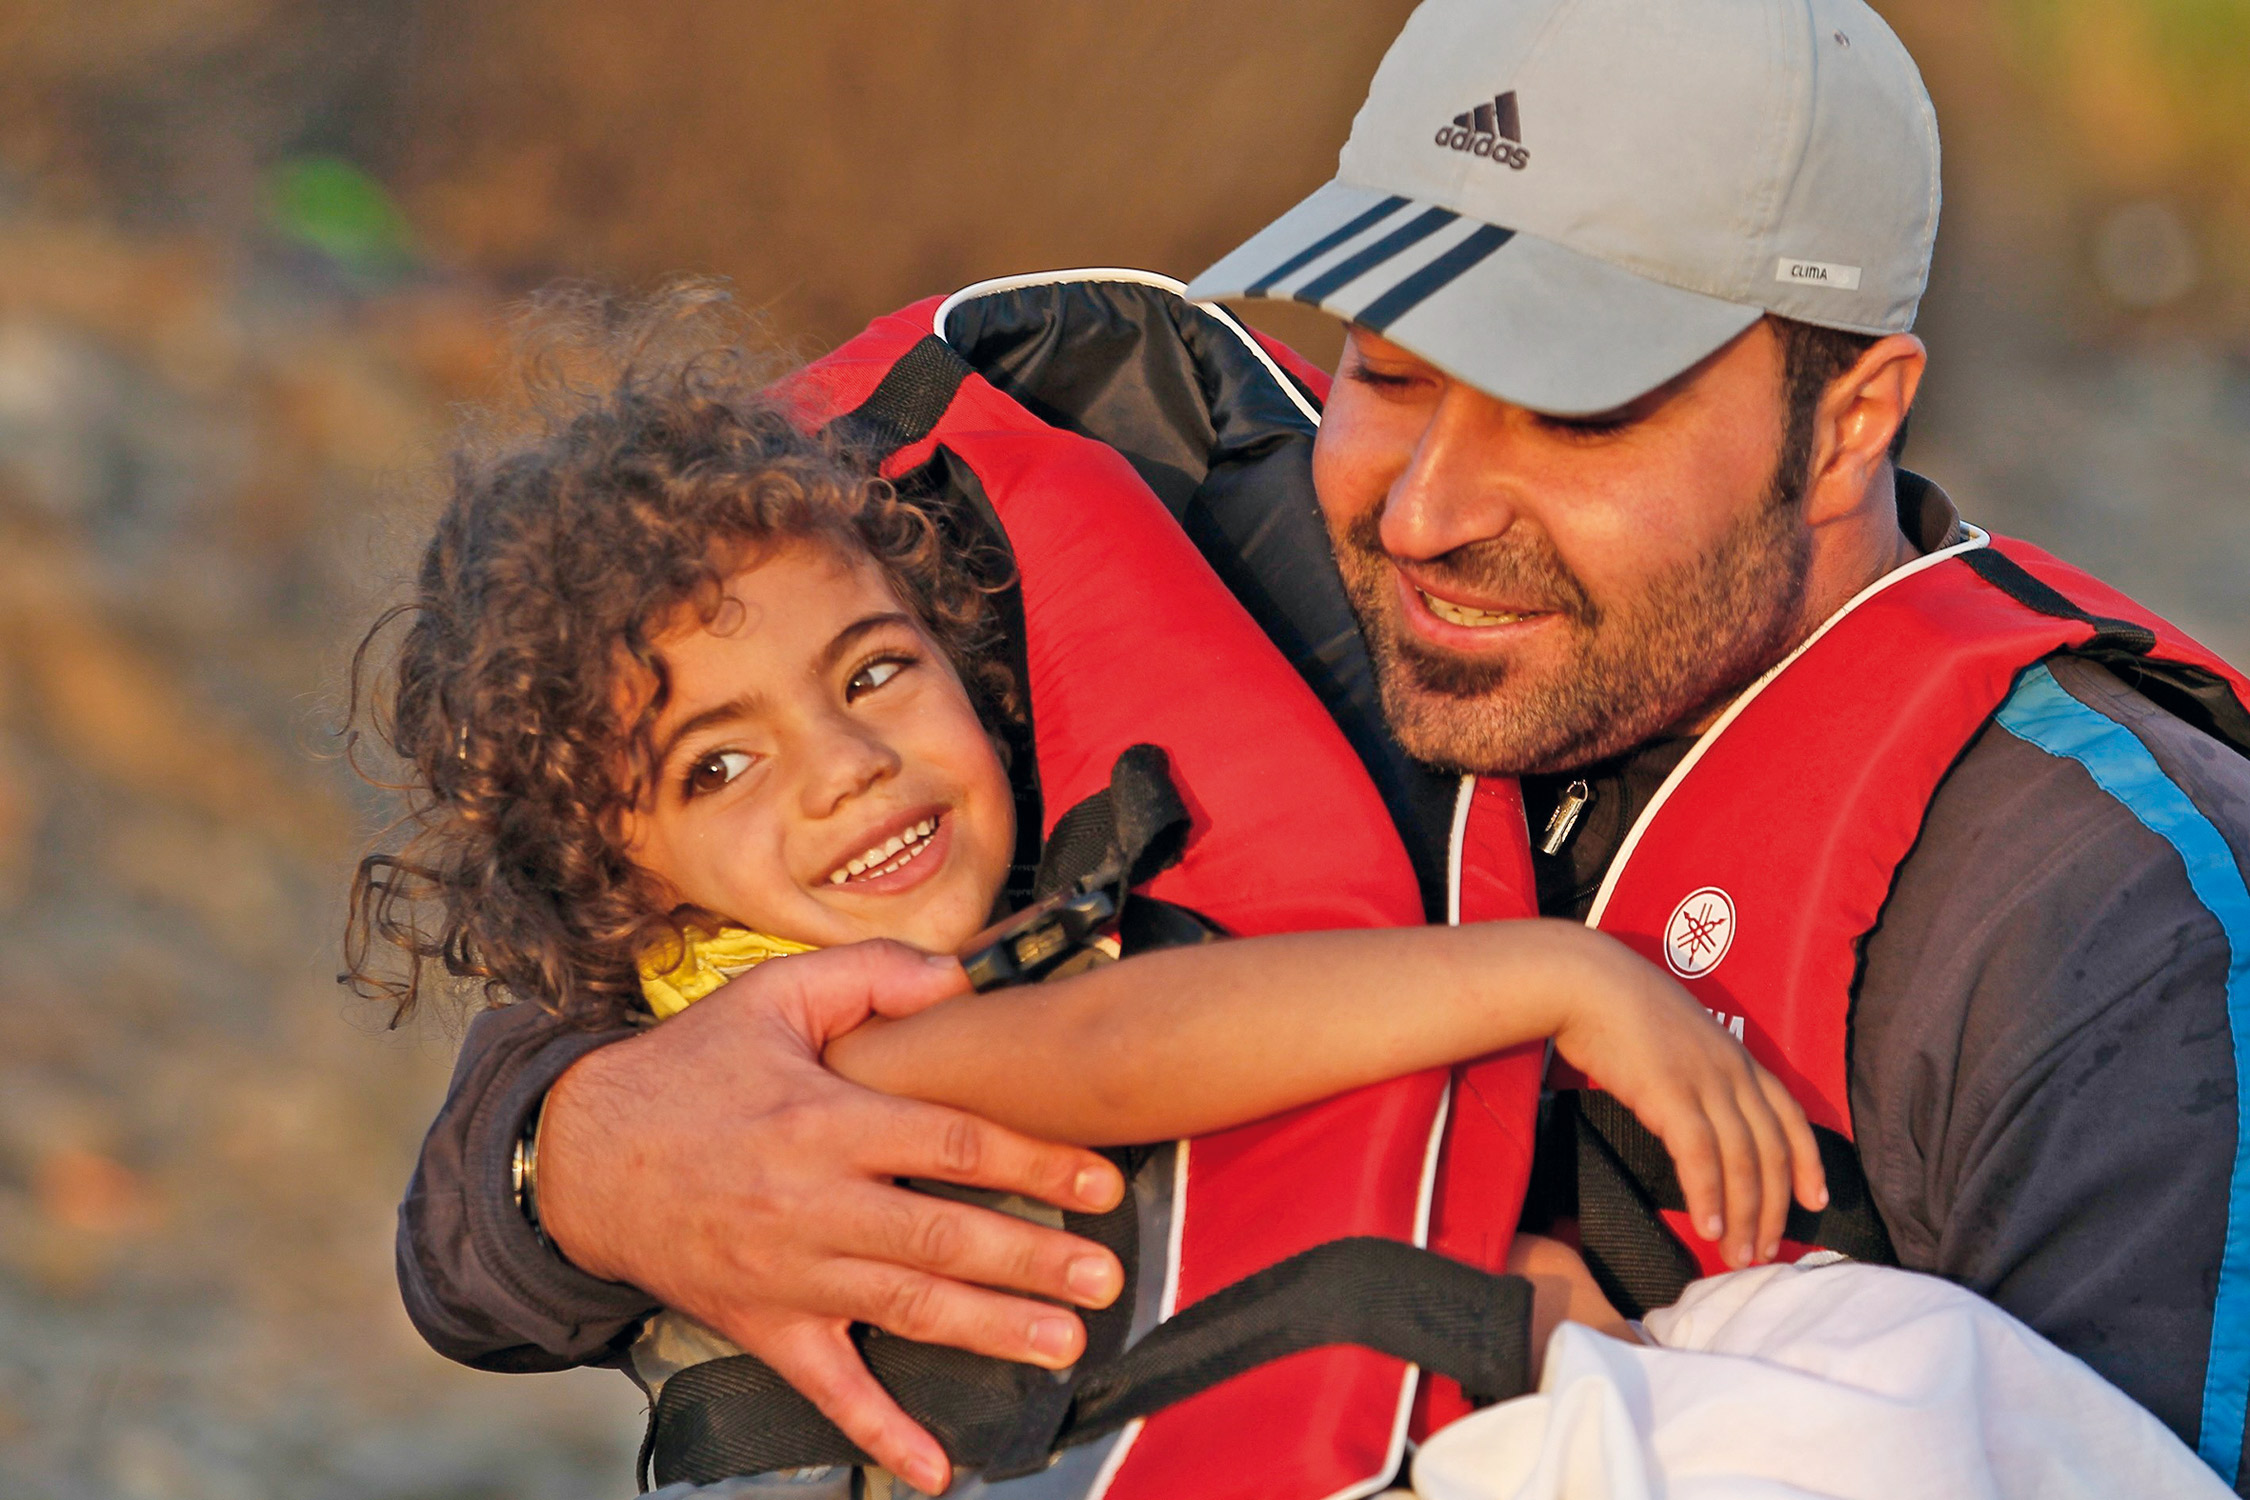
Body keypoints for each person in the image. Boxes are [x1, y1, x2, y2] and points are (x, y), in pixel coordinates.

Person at [385, 0, 2250, 1494]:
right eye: (1392, 370)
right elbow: (556, 1045)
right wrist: (583, 1156)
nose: (1425, 514)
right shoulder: (1241, 583)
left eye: (1568, 416)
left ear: (1846, 420)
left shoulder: (2104, 923)